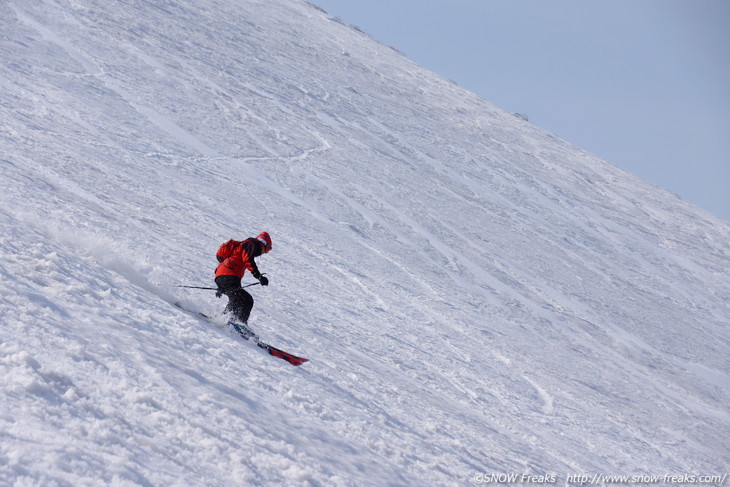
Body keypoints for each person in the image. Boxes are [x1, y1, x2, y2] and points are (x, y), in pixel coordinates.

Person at [214, 232, 272, 326]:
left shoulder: (245, 245)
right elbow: (248, 260)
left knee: (239, 298)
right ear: (263, 244)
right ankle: (238, 324)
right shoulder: (251, 244)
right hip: (228, 275)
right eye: (267, 249)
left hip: (224, 276)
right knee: (245, 299)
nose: (265, 252)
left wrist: (222, 286)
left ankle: (226, 320)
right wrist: (259, 276)